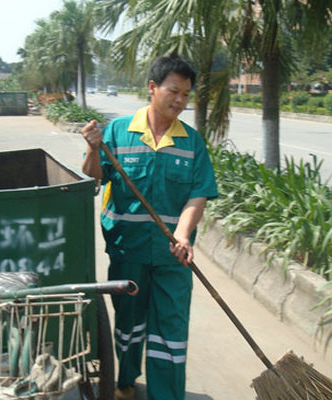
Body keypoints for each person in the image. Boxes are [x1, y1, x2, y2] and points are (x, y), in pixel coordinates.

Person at [81, 55, 218, 400]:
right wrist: (93, 149)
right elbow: (93, 176)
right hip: (128, 250)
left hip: (174, 256)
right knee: (129, 324)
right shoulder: (118, 131)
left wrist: (184, 234)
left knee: (171, 329)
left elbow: (198, 195)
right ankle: (125, 378)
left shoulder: (191, 142)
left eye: (187, 95)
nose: (180, 101)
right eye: (174, 91)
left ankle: (167, 395)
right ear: (153, 88)